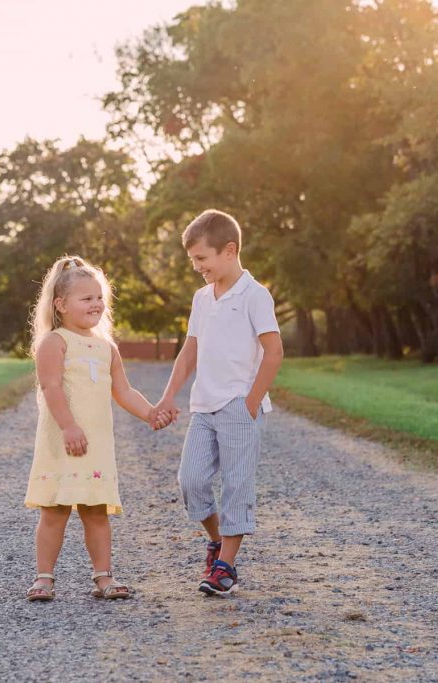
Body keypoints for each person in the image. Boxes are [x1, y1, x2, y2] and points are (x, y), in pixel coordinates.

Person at [151, 209, 283, 596]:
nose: (197, 267)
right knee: (190, 481)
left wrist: (252, 402)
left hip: (239, 405)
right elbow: (189, 351)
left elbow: (273, 352)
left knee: (236, 486)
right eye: (193, 260)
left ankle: (225, 566)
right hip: (203, 407)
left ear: (229, 250)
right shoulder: (202, 298)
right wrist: (169, 395)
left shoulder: (254, 295)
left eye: (201, 259)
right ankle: (216, 542)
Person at [25, 255, 171, 601]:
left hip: (96, 444)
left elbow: (123, 391)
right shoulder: (54, 342)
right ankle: (44, 578)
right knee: (55, 510)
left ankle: (103, 576)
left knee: (96, 511)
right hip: (64, 439)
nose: (96, 304)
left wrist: (150, 413)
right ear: (61, 305)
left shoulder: (107, 348)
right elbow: (51, 388)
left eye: (99, 297)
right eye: (86, 298)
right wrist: (69, 426)